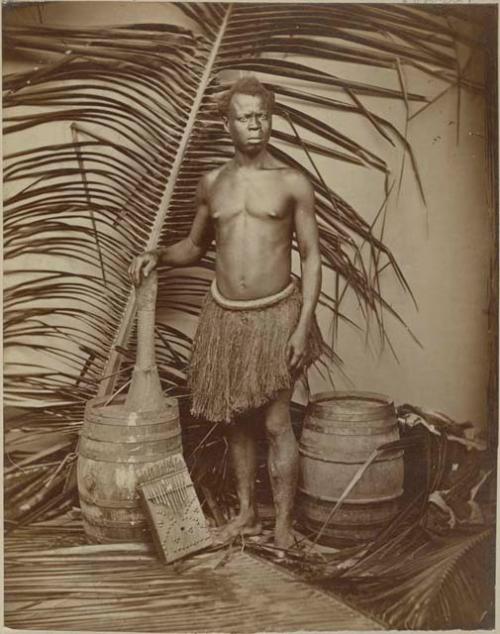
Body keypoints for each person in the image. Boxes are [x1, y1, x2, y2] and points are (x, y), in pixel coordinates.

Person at [129, 76, 324, 551]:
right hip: (225, 317)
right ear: (227, 123)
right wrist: (156, 253)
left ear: (270, 118)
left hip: (276, 316)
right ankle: (244, 515)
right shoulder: (213, 183)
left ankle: (280, 523)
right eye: (244, 116)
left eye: (262, 115)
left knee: (277, 423)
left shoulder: (291, 182)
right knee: (237, 421)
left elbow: (313, 257)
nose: (255, 125)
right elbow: (194, 247)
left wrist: (302, 326)